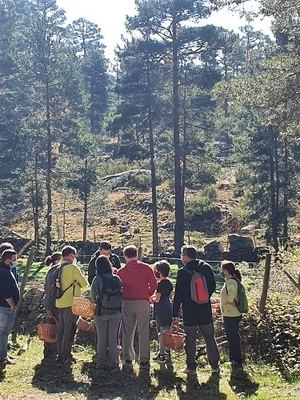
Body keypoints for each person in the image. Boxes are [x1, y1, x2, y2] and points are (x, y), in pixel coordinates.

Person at [173, 245, 220, 374]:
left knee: (190, 338)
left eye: (182, 255)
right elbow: (212, 286)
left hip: (189, 310)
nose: (181, 258)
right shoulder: (206, 267)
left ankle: (191, 367)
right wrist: (204, 298)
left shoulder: (183, 272)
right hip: (205, 308)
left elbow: (179, 294)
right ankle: (215, 365)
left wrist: (175, 312)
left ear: (186, 257)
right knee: (210, 337)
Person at [117, 245, 157, 369]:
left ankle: (127, 358)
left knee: (127, 331)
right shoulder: (146, 268)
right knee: (143, 331)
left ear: (125, 256)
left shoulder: (121, 271)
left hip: (127, 302)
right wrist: (148, 294)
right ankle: (144, 359)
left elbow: (119, 288)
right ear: (136, 255)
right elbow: (154, 284)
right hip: (143, 302)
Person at [55, 245, 88, 363]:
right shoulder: (73, 268)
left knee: (61, 328)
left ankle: (59, 352)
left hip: (59, 302)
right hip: (71, 302)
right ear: (70, 255)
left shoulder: (57, 267)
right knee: (70, 329)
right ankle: (66, 354)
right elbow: (84, 283)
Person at [91, 255, 122, 371]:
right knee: (113, 338)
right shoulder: (117, 278)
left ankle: (101, 363)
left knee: (102, 338)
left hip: (101, 312)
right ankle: (113, 363)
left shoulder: (97, 279)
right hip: (116, 312)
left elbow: (93, 297)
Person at [220, 260, 243, 369]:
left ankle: (236, 360)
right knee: (232, 337)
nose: (221, 271)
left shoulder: (230, 282)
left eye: (223, 269)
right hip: (231, 313)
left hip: (231, 314)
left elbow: (231, 297)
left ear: (226, 270)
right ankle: (233, 359)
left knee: (233, 337)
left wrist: (233, 306)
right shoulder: (231, 280)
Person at [151, 260, 173, 364]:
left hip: (161, 309)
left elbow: (158, 299)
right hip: (168, 307)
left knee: (161, 333)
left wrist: (151, 299)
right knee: (167, 331)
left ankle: (162, 354)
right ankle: (167, 352)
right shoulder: (169, 283)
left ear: (159, 272)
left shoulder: (160, 284)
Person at [0, 250, 19, 366]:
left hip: (4, 306)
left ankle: (4, 353)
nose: (15, 262)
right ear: (8, 260)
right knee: (3, 332)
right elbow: (5, 292)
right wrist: (12, 305)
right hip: (5, 307)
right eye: (14, 260)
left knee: (3, 332)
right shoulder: (4, 273)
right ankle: (2, 357)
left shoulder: (5, 269)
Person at [43, 252, 63, 360]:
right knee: (52, 328)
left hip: (54, 304)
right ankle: (50, 350)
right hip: (53, 304)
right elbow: (49, 292)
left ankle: (52, 349)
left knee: (52, 327)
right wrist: (49, 308)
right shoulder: (54, 272)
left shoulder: (53, 270)